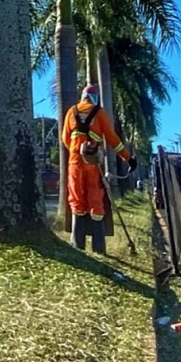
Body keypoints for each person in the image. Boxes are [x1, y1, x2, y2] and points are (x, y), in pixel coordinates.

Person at [62, 83, 135, 253]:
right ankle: (99, 247)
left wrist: (76, 150)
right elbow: (112, 139)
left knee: (76, 200)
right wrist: (128, 158)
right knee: (95, 199)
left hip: (75, 162)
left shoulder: (71, 112)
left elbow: (65, 139)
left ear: (82, 96)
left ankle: (77, 246)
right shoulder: (99, 112)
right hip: (94, 163)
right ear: (95, 98)